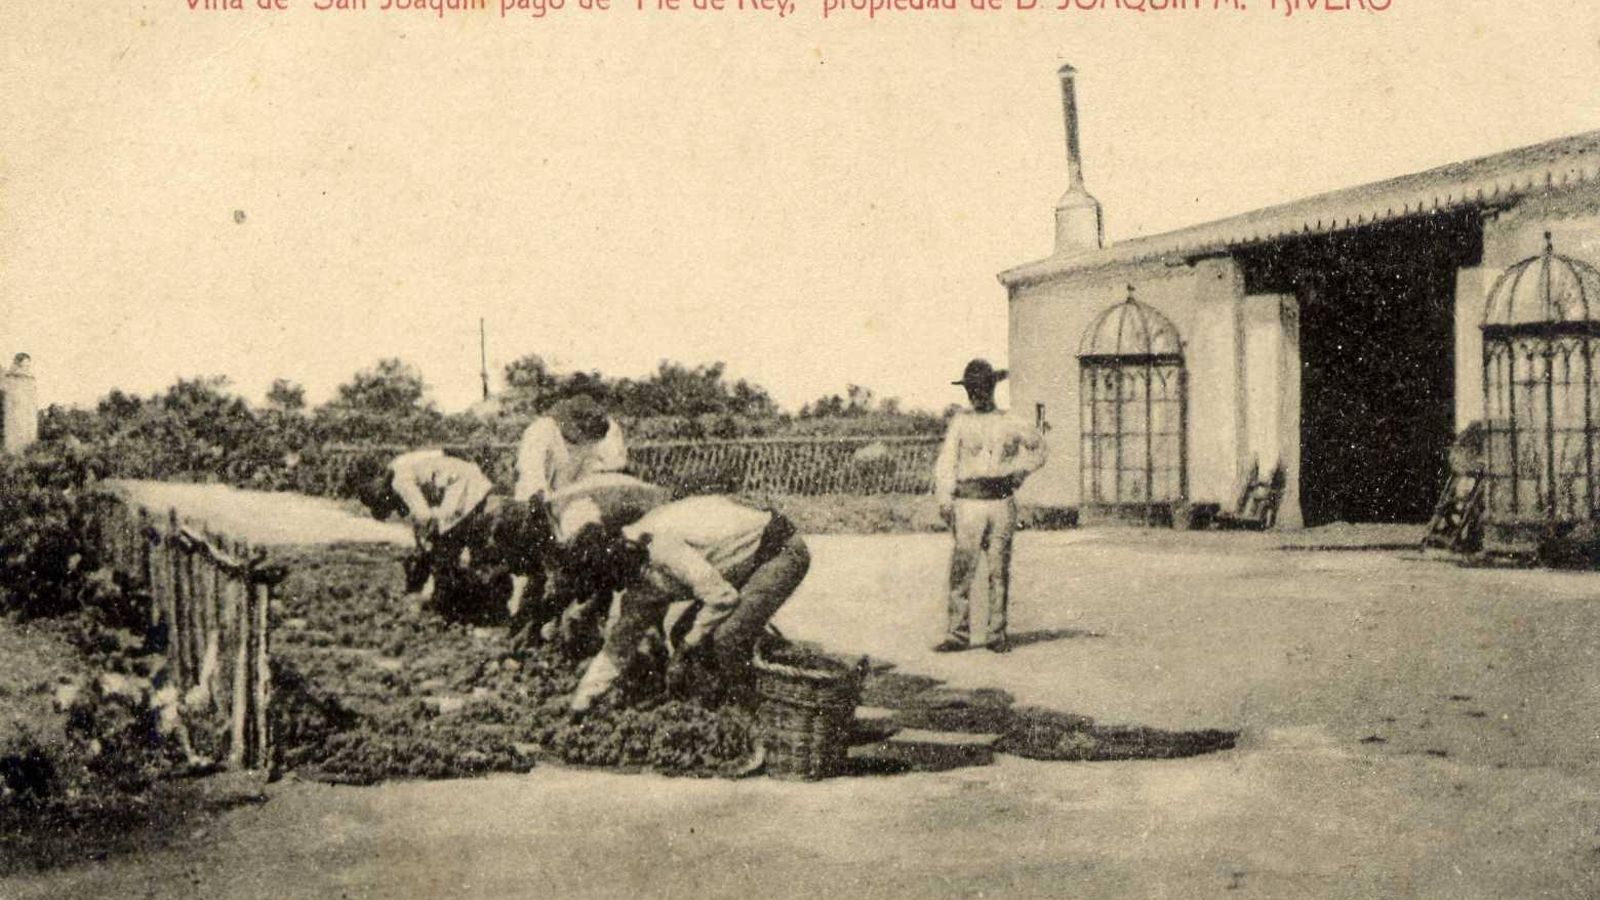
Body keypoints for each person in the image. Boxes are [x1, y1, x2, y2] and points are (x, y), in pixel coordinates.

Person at [560, 495, 809, 715]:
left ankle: (753, 718)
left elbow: (723, 598)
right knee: (683, 633)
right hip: (736, 564)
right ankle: (719, 698)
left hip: (778, 549)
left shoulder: (661, 547)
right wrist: (581, 703)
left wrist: (683, 653)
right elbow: (619, 646)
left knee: (726, 638)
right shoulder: (636, 572)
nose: (623, 586)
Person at [932, 359, 1048, 654]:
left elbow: (1039, 447)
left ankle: (997, 633)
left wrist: (1020, 471)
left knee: (999, 570)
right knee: (962, 570)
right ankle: (957, 634)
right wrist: (945, 499)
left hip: (1001, 503)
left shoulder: (1011, 420)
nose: (977, 394)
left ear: (992, 387)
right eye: (972, 389)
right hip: (968, 503)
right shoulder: (961, 422)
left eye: (982, 387)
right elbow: (946, 463)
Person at [356, 449, 549, 619]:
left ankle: (447, 603)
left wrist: (426, 544)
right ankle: (461, 601)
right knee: (465, 545)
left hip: (460, 487)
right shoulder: (399, 466)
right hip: (468, 481)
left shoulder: (399, 480)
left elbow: (423, 515)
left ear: (377, 482)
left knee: (444, 550)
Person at [513, 394, 628, 504]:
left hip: (563, 501)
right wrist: (539, 495)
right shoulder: (541, 431)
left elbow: (586, 475)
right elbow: (531, 471)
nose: (586, 443)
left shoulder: (590, 443)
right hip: (533, 498)